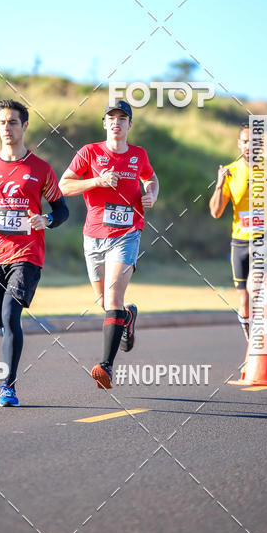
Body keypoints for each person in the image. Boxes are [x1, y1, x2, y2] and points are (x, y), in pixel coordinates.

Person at [0, 99, 69, 406]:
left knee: (11, 316)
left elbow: (61, 210)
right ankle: (4, 364)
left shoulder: (41, 169)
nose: (6, 128)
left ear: (24, 126)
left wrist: (45, 219)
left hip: (27, 256)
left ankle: (8, 386)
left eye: (12, 122)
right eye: (2, 122)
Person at [59, 100, 159, 389]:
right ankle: (127, 317)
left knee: (112, 299)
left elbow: (151, 179)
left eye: (122, 118)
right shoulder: (89, 152)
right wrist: (96, 182)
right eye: (111, 117)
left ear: (130, 125)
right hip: (94, 236)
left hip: (127, 233)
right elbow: (65, 185)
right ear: (104, 123)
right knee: (106, 303)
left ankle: (106, 366)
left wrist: (151, 193)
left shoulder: (138, 154)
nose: (116, 122)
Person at [209, 122, 267, 341]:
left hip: (264, 239)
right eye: (246, 141)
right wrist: (219, 184)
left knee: (255, 287)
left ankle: (265, 335)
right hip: (239, 242)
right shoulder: (231, 172)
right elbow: (215, 211)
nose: (250, 146)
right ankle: (254, 348)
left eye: (256, 142)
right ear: (239, 144)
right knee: (243, 302)